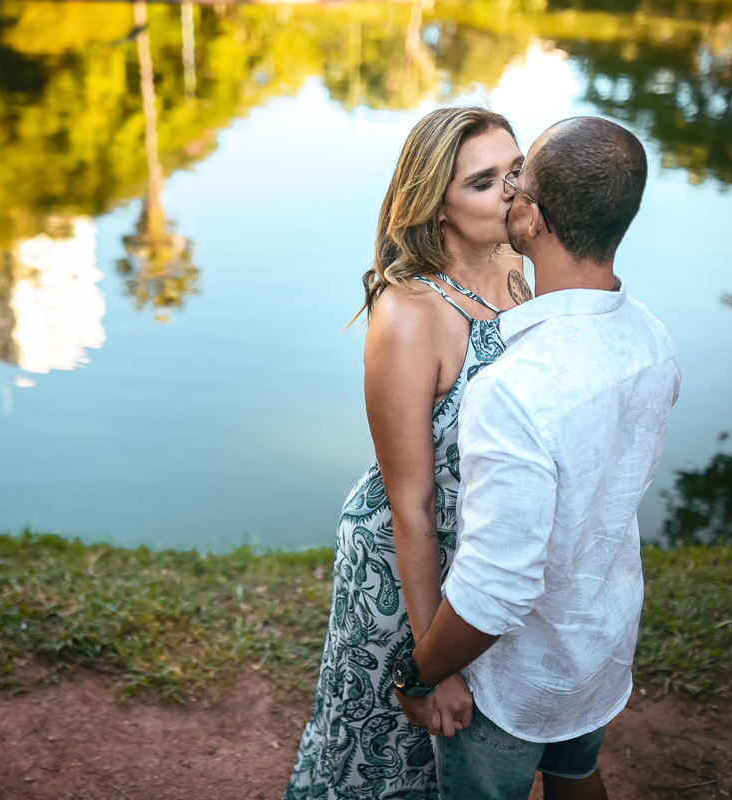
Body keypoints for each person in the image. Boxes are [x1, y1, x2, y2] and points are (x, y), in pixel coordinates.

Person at [391, 116, 681, 800]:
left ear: (532, 219)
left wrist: (421, 674)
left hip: (514, 677)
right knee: (577, 773)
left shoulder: (516, 389)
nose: (508, 193)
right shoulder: (653, 339)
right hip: (599, 638)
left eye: (518, 181)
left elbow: (495, 592)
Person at [283, 107, 532, 799]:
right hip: (405, 566)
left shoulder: (516, 264)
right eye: (483, 182)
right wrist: (431, 667)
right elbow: (411, 506)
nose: (512, 191)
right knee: (384, 758)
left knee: (464, 757)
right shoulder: (410, 313)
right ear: (437, 205)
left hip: (483, 552)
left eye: (516, 170)